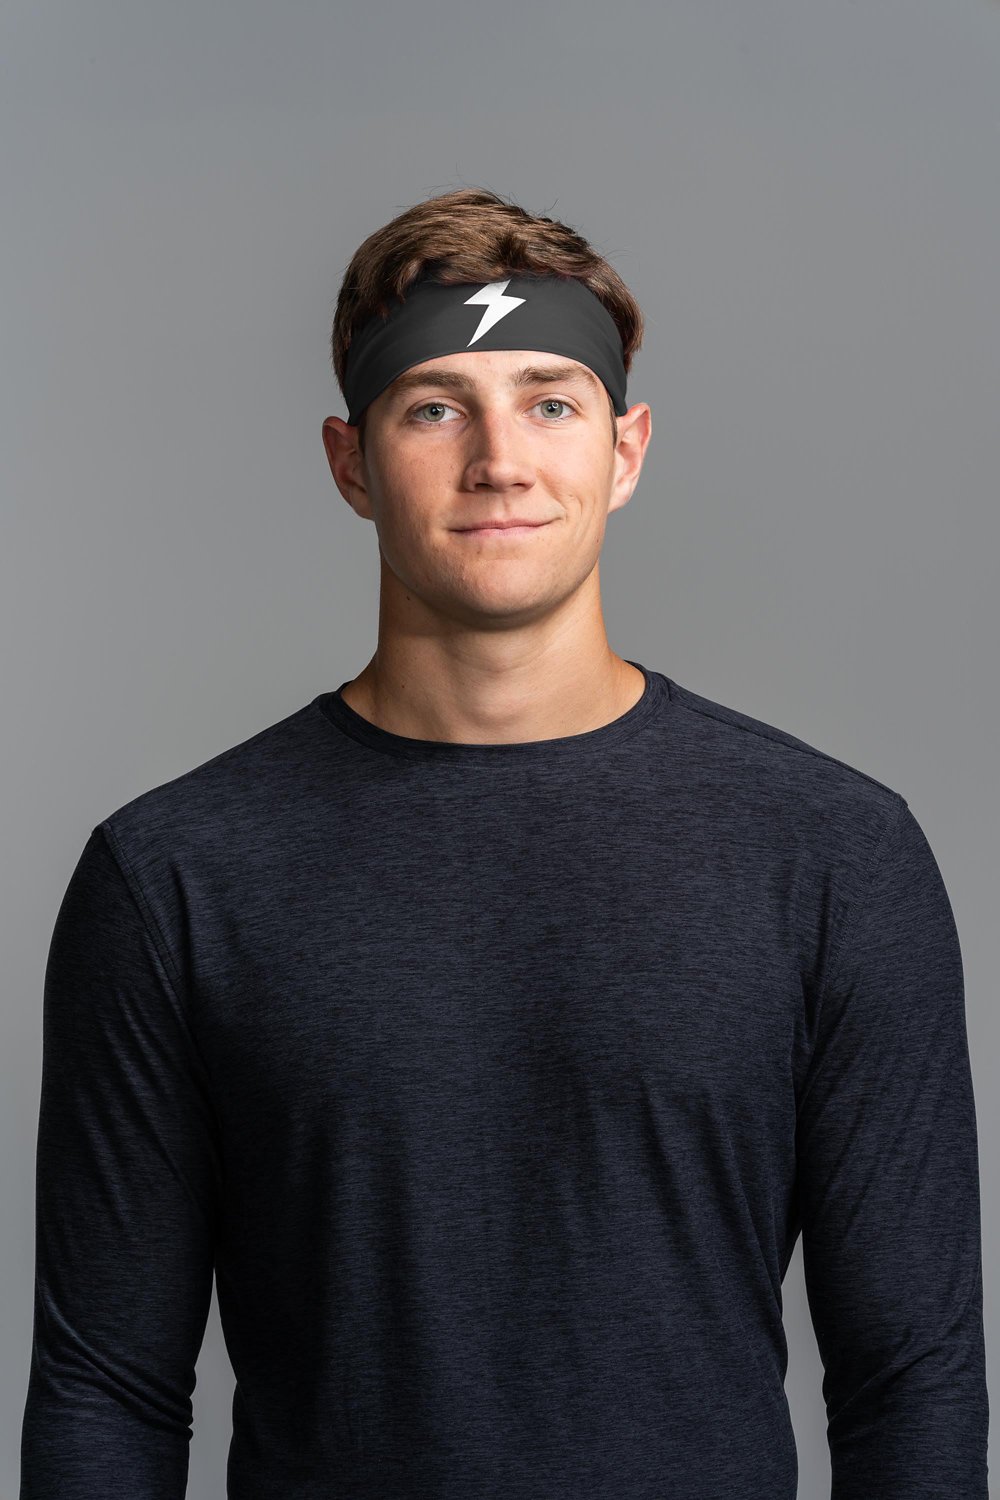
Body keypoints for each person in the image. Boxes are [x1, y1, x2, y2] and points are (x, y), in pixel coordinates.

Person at [19, 186, 989, 1499]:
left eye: (551, 403)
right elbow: (106, 1393)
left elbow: (914, 1387)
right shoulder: (175, 878)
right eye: (434, 408)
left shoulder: (834, 858)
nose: (500, 461)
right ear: (350, 462)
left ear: (626, 451)